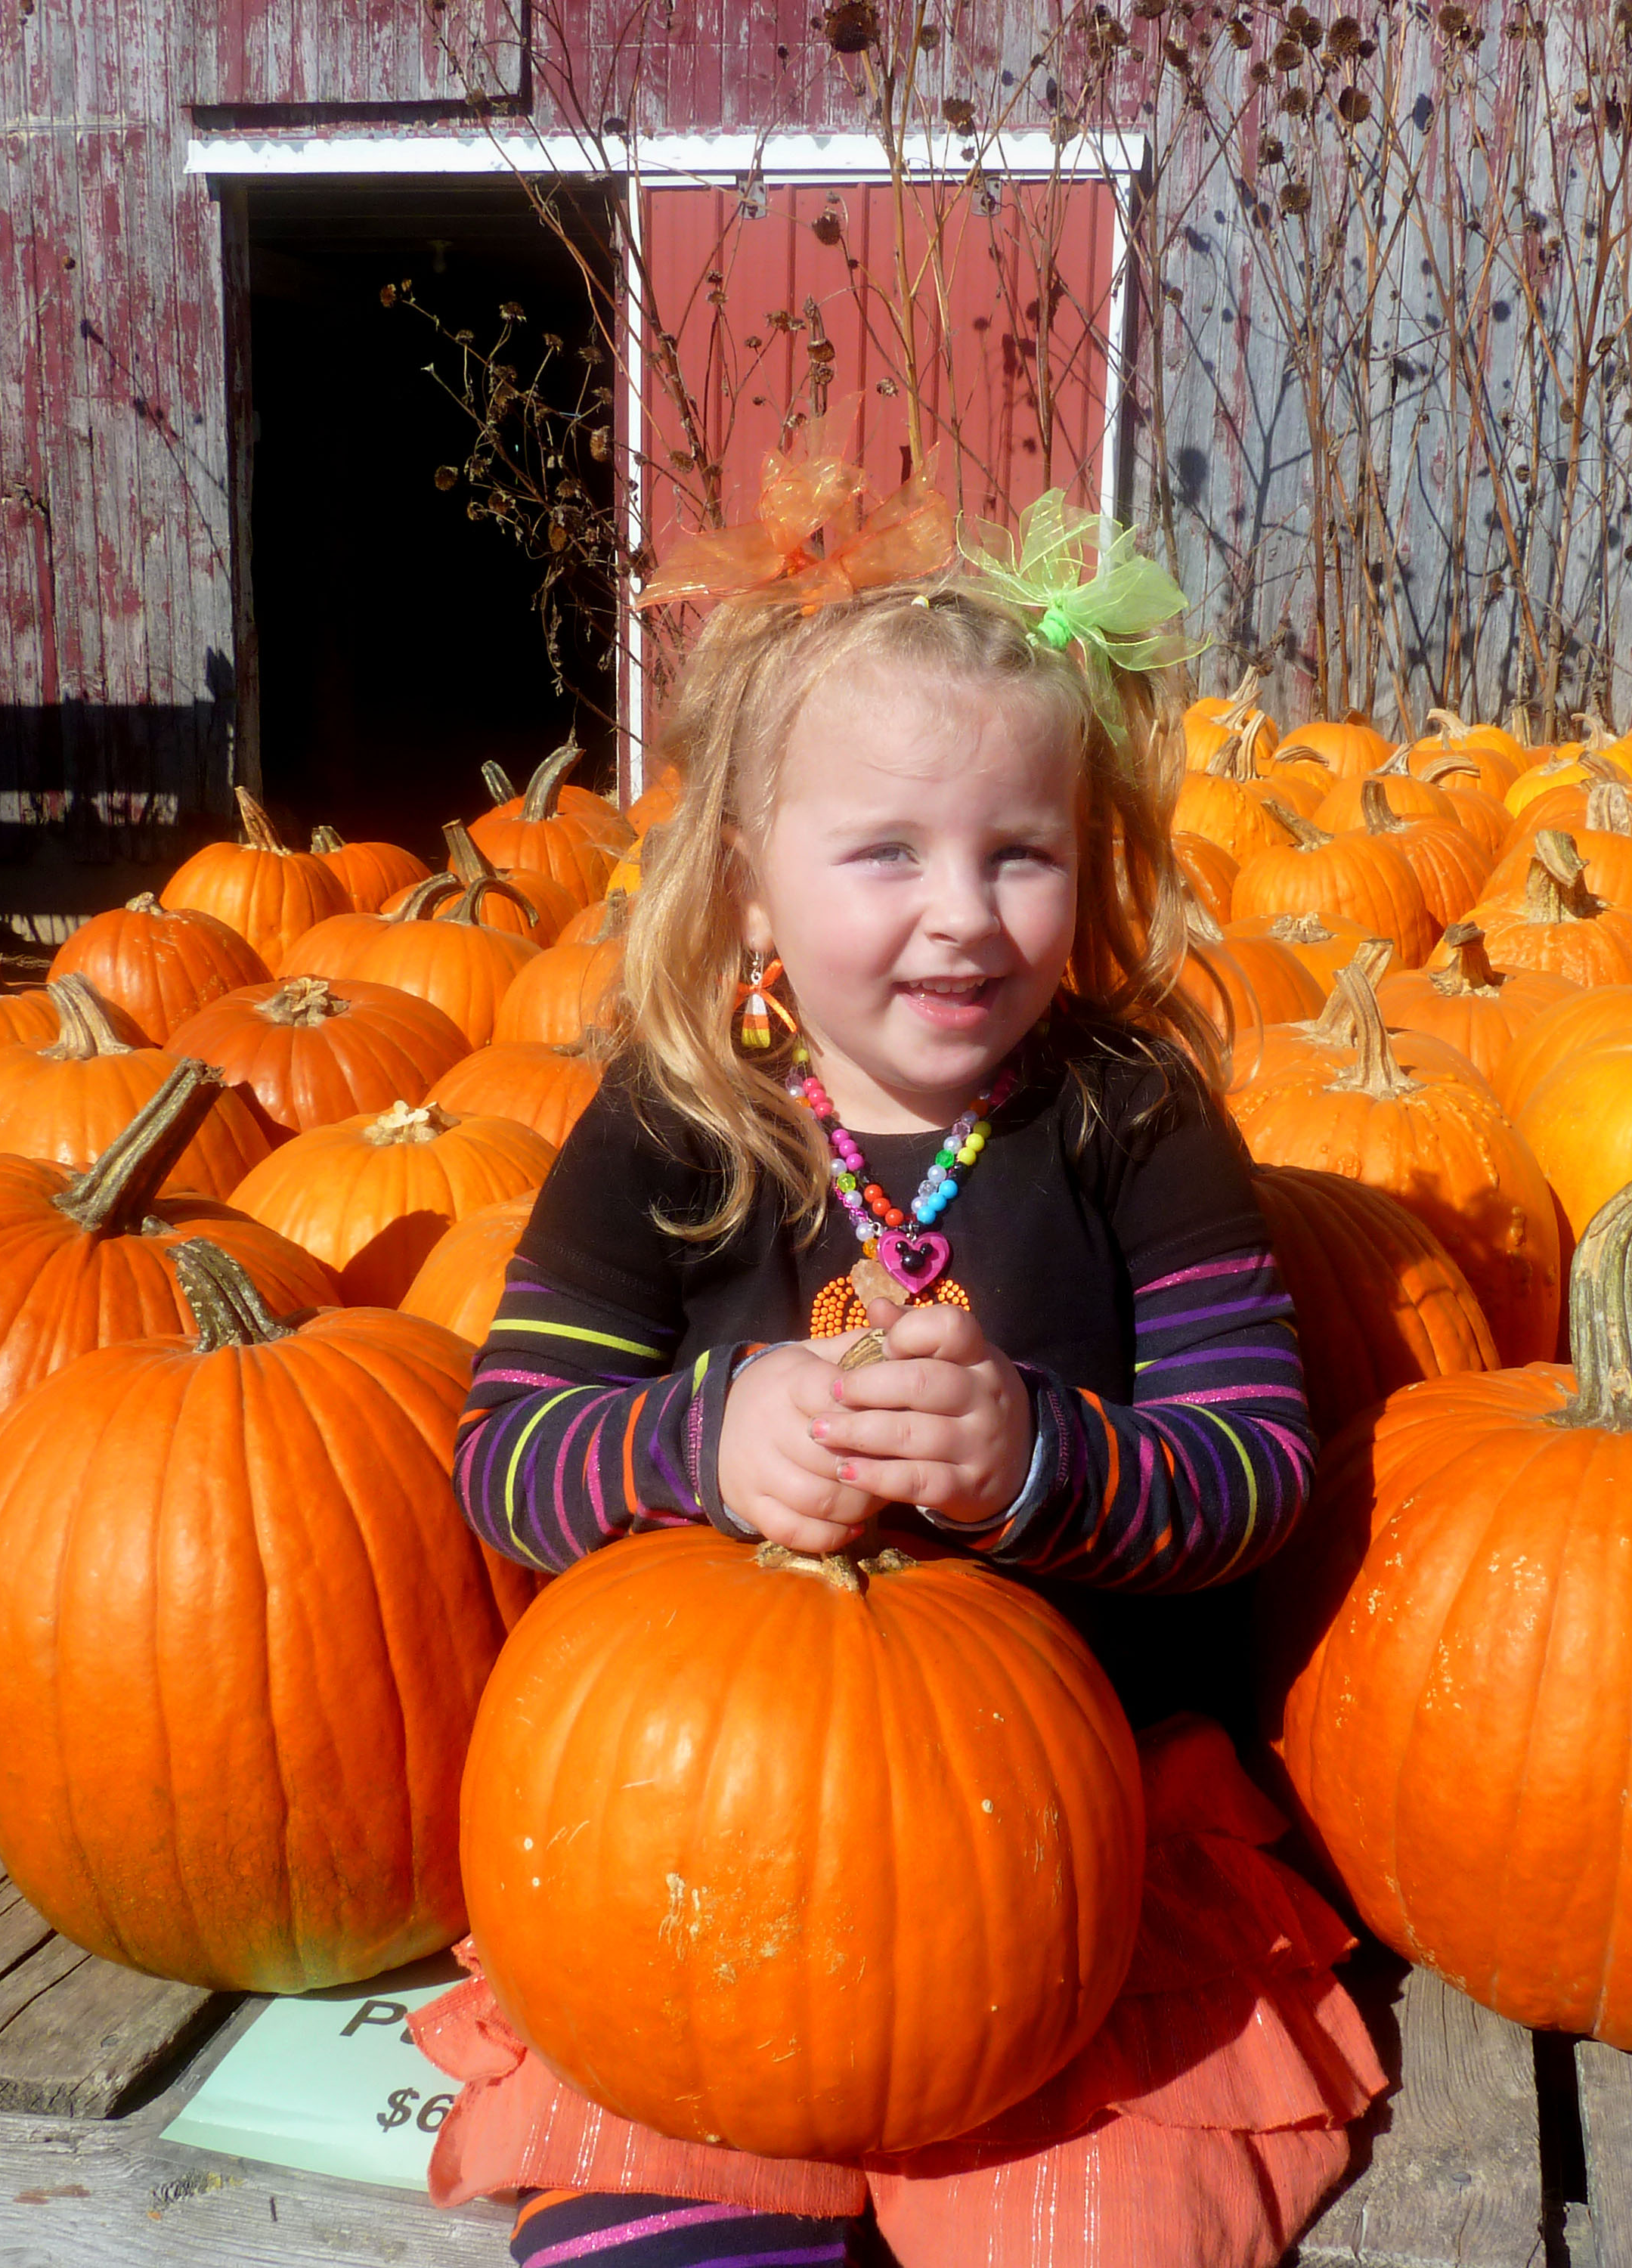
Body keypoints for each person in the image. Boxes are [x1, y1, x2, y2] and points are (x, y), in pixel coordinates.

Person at [429, 472, 1370, 2268]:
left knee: (1111, 2219)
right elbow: (505, 1454)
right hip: (709, 1837)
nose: (962, 917)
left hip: (1075, 1845)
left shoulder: (1132, 1115)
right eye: (886, 854)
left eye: (1016, 853)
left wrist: (1041, 1466)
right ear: (748, 877)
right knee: (661, 2212)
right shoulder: (669, 1123)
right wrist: (704, 1437)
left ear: (1083, 861)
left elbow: (1254, 1467)